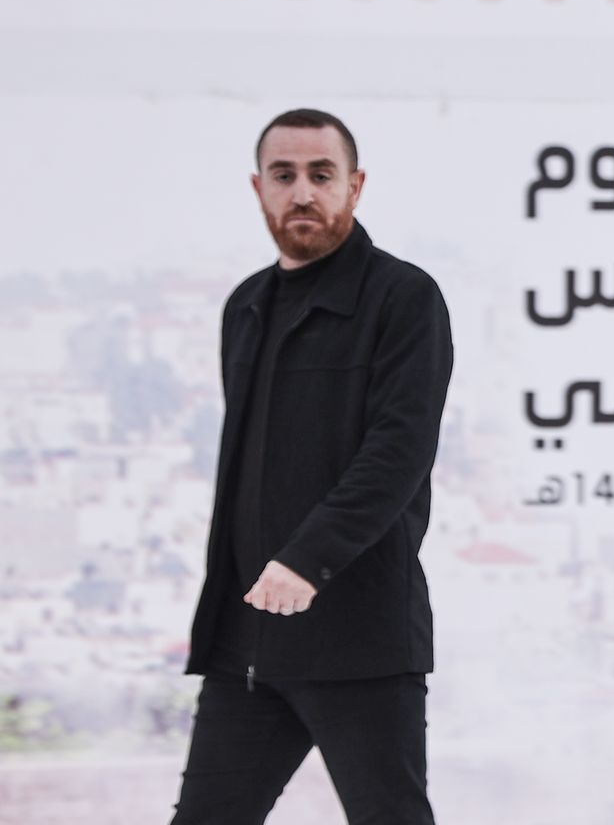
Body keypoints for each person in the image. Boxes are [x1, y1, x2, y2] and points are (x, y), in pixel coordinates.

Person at [172, 109, 454, 825]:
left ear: (355, 187)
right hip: (250, 646)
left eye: (321, 175)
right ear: (258, 188)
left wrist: (307, 559)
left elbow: (399, 450)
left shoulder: (403, 298)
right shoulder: (246, 306)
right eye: (284, 175)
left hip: (360, 639)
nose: (303, 192)